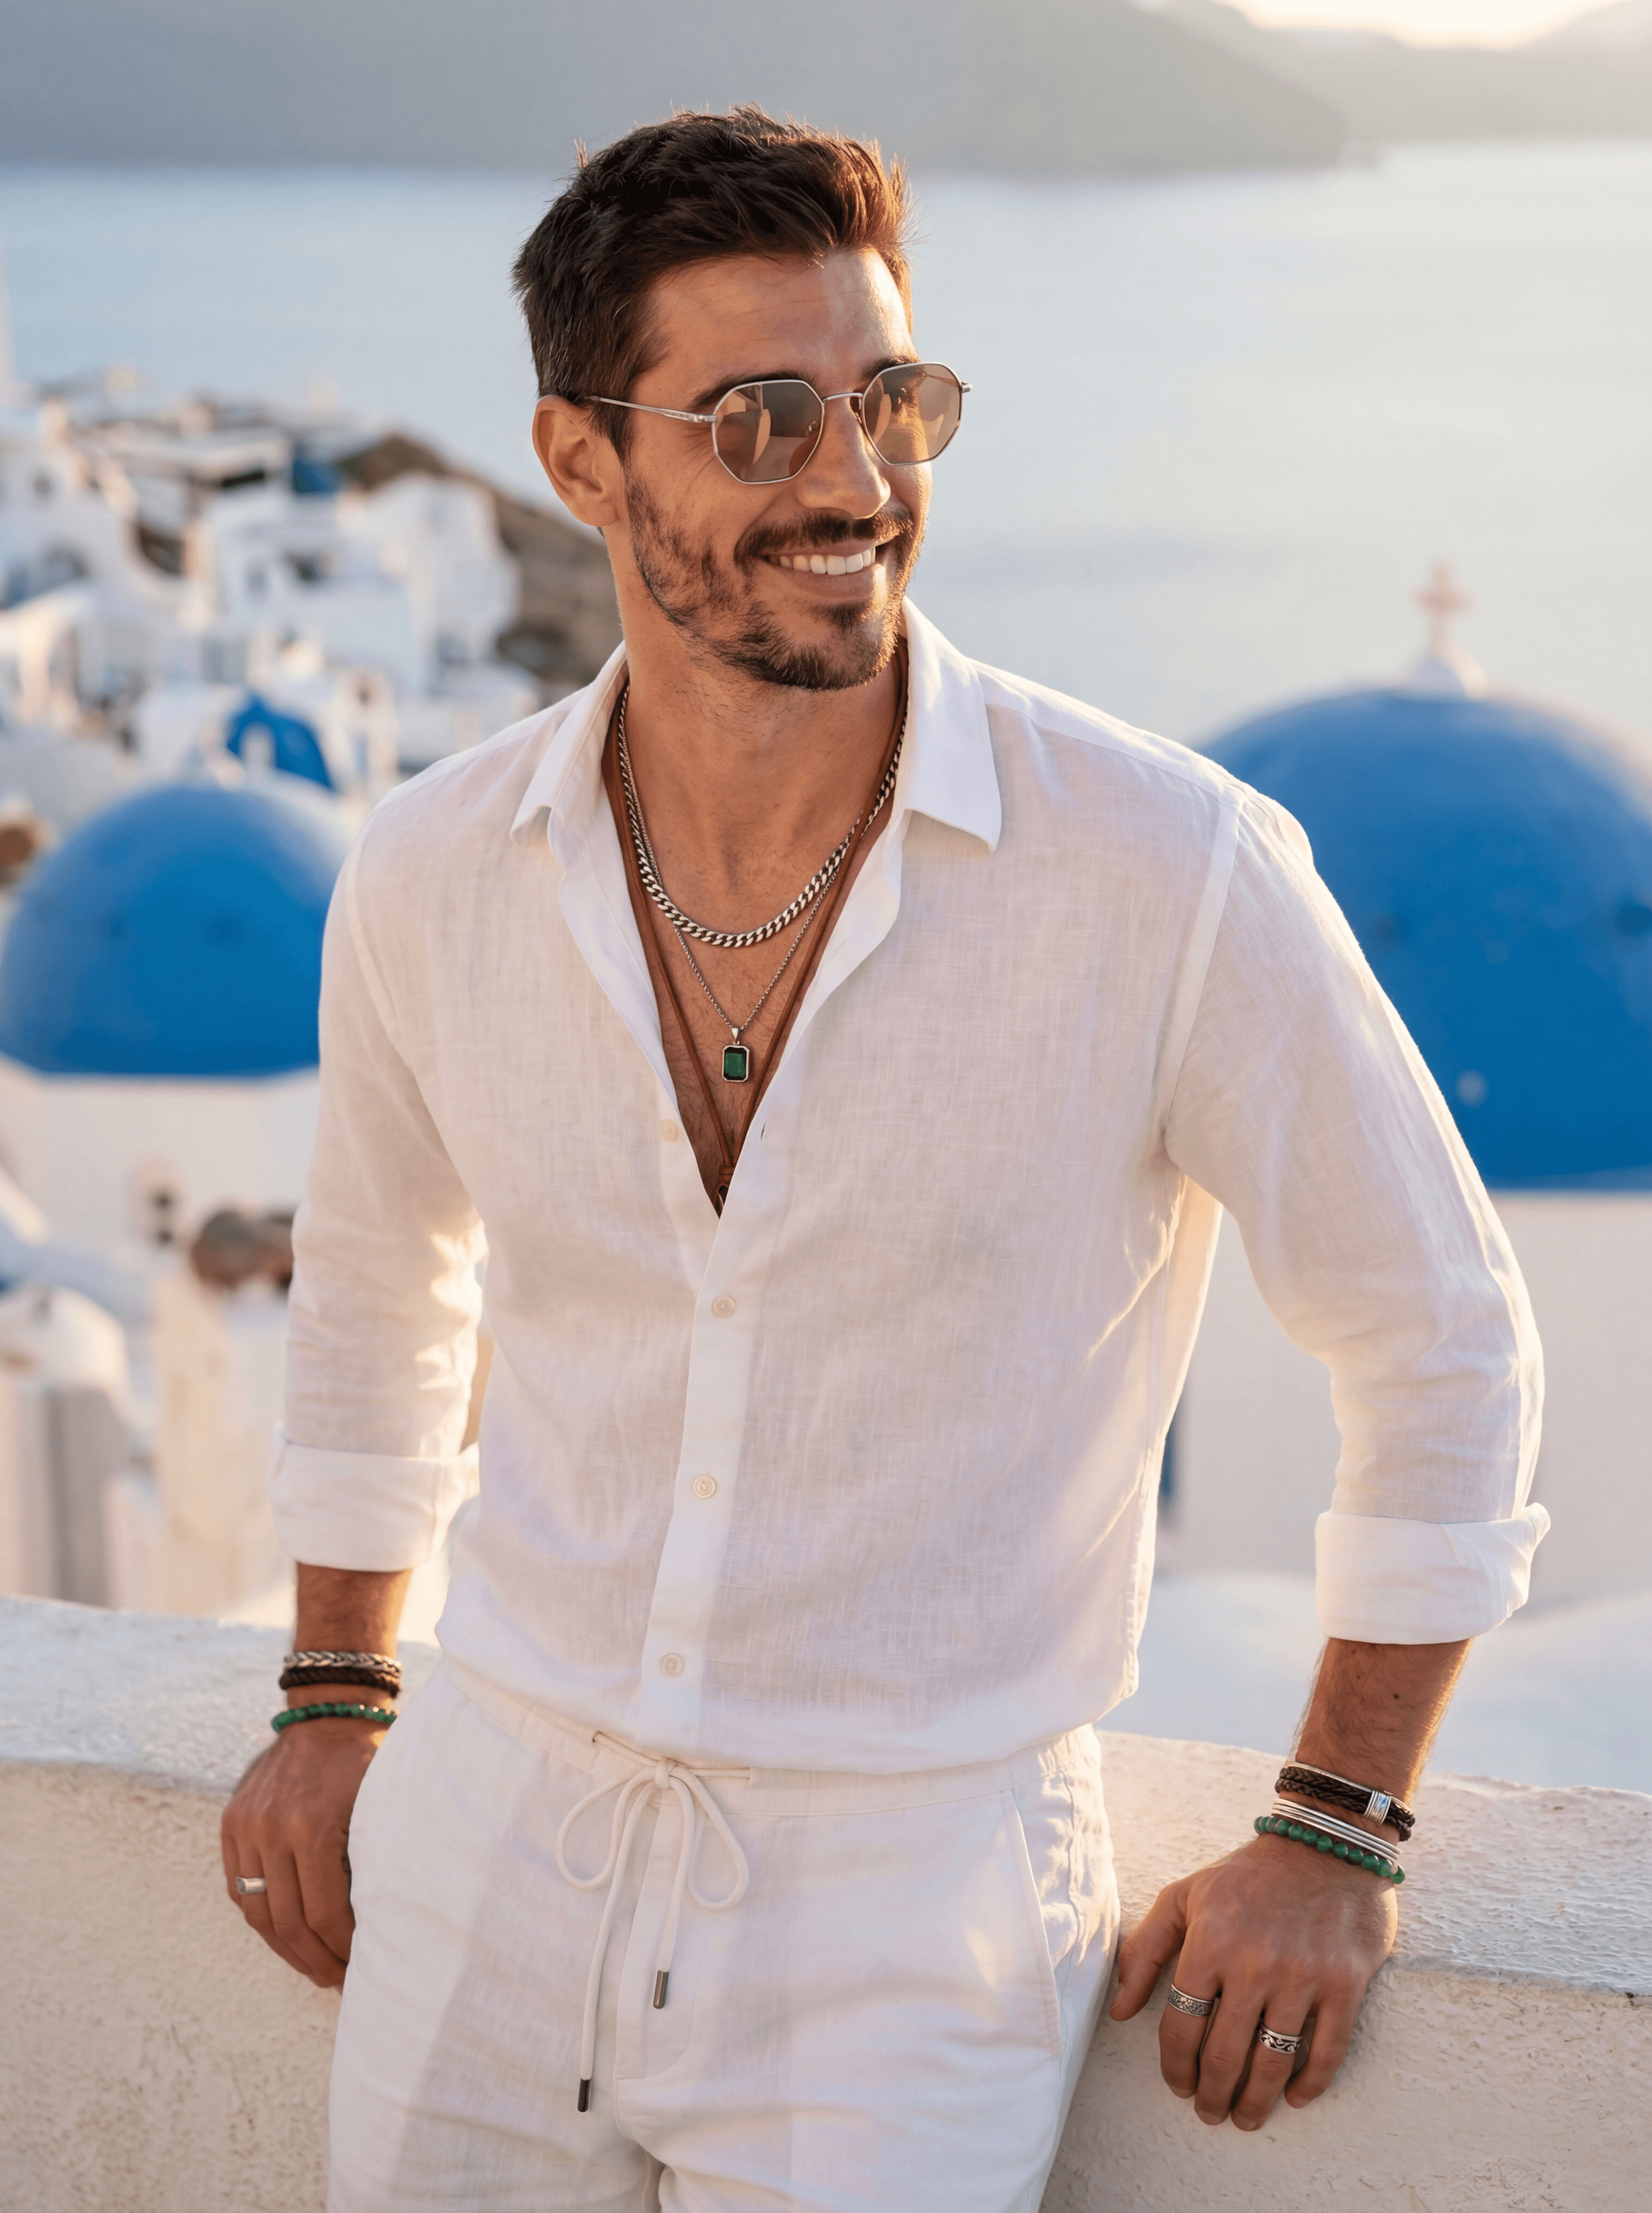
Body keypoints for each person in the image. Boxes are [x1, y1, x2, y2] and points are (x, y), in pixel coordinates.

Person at [221, 108, 1546, 2213]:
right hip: (479, 1858)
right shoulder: (432, 866)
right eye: (759, 422)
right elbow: (386, 1292)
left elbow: (1438, 1342)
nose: (853, 484)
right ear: (583, 463)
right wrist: (329, 1681)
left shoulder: (1165, 869)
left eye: (889, 401)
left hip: (914, 1922)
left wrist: (1333, 1828)